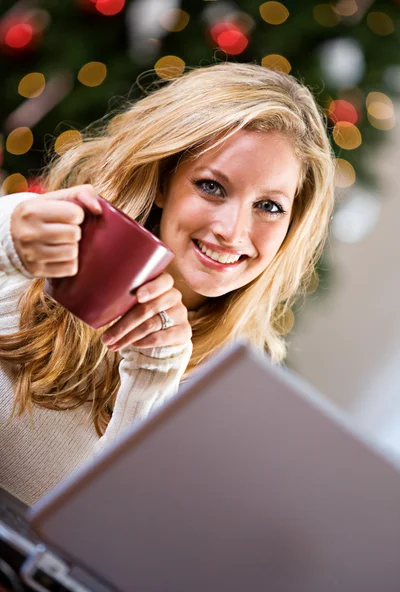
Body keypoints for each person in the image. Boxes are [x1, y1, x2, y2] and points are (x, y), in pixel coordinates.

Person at [0, 62, 335, 506]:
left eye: (269, 207)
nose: (232, 232)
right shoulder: (34, 235)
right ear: (163, 180)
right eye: (212, 186)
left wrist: (151, 380)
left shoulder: (235, 398)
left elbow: (108, 543)